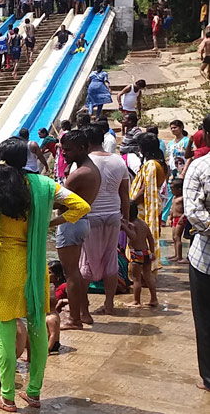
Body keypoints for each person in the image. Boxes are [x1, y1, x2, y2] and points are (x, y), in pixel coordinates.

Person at [0, 137, 90, 412]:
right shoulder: (45, 186)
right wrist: (48, 222)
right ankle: (34, 393)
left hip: (4, 264)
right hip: (35, 264)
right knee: (37, 327)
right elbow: (81, 206)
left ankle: (6, 397)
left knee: (4, 331)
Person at [54, 130, 101, 330]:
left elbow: (58, 203)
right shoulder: (90, 168)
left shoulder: (80, 174)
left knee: (71, 273)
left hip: (71, 223)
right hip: (81, 221)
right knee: (76, 272)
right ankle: (84, 313)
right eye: (63, 150)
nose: (64, 154)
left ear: (82, 148)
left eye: (68, 150)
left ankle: (75, 319)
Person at [80, 126, 129, 316]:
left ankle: (83, 309)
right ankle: (109, 304)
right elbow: (124, 194)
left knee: (85, 263)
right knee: (111, 260)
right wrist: (125, 218)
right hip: (113, 215)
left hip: (91, 216)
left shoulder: (84, 162)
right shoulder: (118, 160)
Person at [183, 148, 210, 391]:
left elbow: (193, 212)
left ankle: (209, 377)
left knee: (205, 319)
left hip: (205, 257)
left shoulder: (201, 166)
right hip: (204, 257)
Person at [128, 133, 167, 277]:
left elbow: (146, 189)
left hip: (144, 206)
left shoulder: (151, 165)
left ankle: (144, 274)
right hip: (153, 203)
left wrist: (130, 202)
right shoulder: (161, 163)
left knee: (140, 241)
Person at [123, 202, 158, 307]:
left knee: (136, 279)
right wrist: (152, 252)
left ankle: (136, 301)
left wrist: (124, 227)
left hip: (137, 254)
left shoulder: (131, 225)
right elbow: (150, 239)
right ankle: (154, 299)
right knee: (148, 276)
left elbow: (133, 237)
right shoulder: (143, 223)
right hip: (146, 252)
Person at [169, 179, 187, 264]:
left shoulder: (182, 198)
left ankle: (179, 256)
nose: (171, 191)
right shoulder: (174, 197)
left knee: (177, 237)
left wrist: (183, 216)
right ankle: (176, 255)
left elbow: (186, 209)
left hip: (180, 218)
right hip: (174, 218)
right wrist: (170, 217)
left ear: (179, 189)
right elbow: (172, 208)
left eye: (173, 189)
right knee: (174, 237)